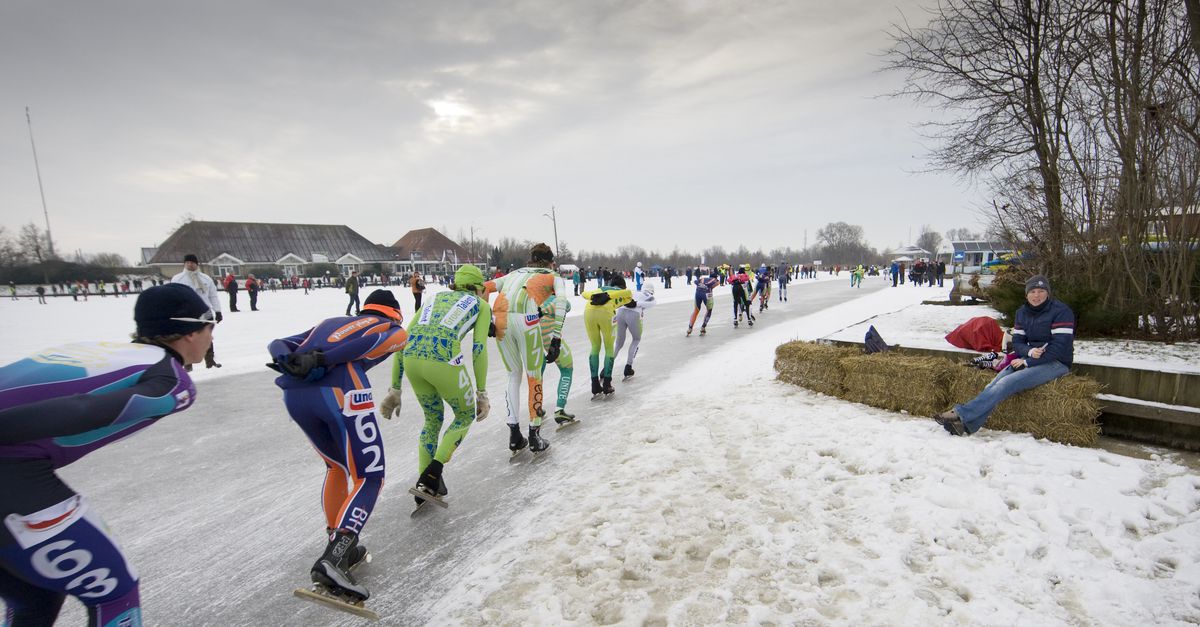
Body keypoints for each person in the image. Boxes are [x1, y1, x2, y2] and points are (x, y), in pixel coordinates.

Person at [0, 283, 214, 626]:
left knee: (36, 595)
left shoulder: (105, 350)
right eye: (211, 324)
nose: (211, 335)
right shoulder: (172, 382)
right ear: (191, 331)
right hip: (13, 473)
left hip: (16, 468)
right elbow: (81, 409)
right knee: (115, 592)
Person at [267, 289, 408, 603]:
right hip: (342, 388)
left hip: (295, 394)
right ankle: (334, 558)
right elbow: (368, 345)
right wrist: (324, 360)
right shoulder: (394, 329)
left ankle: (338, 546)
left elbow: (279, 343)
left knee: (336, 467)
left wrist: (290, 360)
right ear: (395, 313)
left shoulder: (332, 321)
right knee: (370, 476)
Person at [383, 265, 491, 505]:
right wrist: (481, 393)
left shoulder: (433, 298)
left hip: (412, 360)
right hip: (443, 360)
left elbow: (402, 339)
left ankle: (424, 482)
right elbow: (479, 348)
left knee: (432, 419)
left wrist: (395, 388)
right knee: (464, 415)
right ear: (478, 288)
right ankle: (433, 474)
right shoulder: (481, 305)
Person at [936, 275, 1075, 435]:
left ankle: (960, 414)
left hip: (1057, 362)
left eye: (1041, 291)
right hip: (1030, 357)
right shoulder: (1022, 313)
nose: (1036, 295)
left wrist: (1027, 363)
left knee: (1006, 383)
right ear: (1026, 294)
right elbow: (1017, 342)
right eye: (1033, 291)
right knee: (993, 384)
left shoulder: (1062, 312)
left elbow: (1060, 346)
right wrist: (1028, 353)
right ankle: (967, 426)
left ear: (1048, 293)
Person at [483, 244, 568, 454]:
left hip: (500, 317)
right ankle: (534, 435)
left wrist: (486, 319)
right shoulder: (552, 275)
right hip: (527, 319)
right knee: (533, 376)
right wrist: (556, 337)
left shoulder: (514, 273)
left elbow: (484, 287)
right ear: (550, 261)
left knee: (513, 375)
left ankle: (514, 435)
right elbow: (562, 301)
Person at [581, 275, 633, 396]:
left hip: (588, 311)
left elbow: (584, 294)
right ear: (622, 286)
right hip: (607, 313)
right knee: (609, 347)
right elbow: (629, 297)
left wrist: (595, 296)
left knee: (595, 346)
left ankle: (594, 384)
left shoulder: (600, 289)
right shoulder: (624, 292)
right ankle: (607, 384)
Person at [171, 253, 225, 370]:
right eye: (187, 263)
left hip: (205, 312)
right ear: (185, 264)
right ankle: (187, 363)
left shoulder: (206, 278)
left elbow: (213, 296)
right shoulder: (178, 279)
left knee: (207, 337)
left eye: (192, 262)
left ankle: (210, 361)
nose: (190, 265)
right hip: (187, 313)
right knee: (186, 338)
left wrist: (218, 311)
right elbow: (173, 297)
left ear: (196, 264)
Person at [537, 293, 577, 426]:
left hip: (533, 339)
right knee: (567, 370)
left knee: (537, 376)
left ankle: (536, 407)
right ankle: (560, 409)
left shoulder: (534, 297)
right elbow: (566, 305)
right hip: (549, 337)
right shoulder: (557, 298)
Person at [614, 283, 657, 379]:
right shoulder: (649, 295)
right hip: (633, 314)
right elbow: (653, 303)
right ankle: (628, 367)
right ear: (652, 291)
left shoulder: (634, 292)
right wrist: (637, 304)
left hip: (620, 312)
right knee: (636, 339)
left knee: (618, 343)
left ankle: (606, 368)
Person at [688, 269, 719, 336]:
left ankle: (690, 328)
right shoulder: (716, 280)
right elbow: (714, 285)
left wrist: (701, 285)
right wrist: (707, 287)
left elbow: (695, 281)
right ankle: (703, 327)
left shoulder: (703, 278)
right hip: (707, 294)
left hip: (698, 293)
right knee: (709, 310)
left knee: (696, 311)